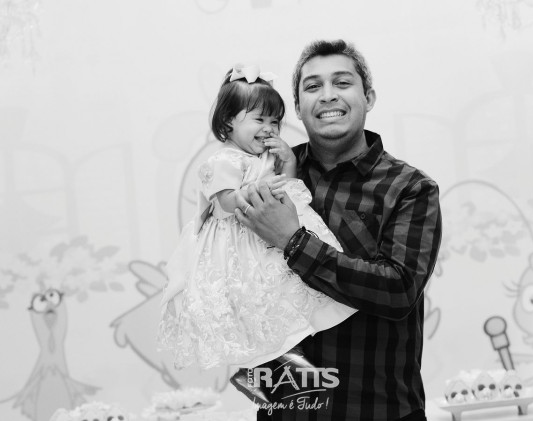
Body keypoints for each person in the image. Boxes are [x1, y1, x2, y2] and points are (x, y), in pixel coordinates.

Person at [234, 40, 442, 420]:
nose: (327, 95)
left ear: (369, 97)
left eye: (342, 83)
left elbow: (398, 290)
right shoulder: (266, 174)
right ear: (298, 107)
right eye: (313, 86)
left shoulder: (409, 188)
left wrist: (292, 241)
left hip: (379, 410)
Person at [157, 64, 356, 404]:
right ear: (228, 123)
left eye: (275, 121)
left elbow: (289, 186)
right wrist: (250, 192)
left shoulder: (266, 158)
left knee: (289, 292)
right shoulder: (223, 161)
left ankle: (303, 351)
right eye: (259, 119)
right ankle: (273, 371)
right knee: (253, 297)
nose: (269, 128)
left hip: (273, 234)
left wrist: (288, 163)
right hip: (241, 239)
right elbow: (224, 201)